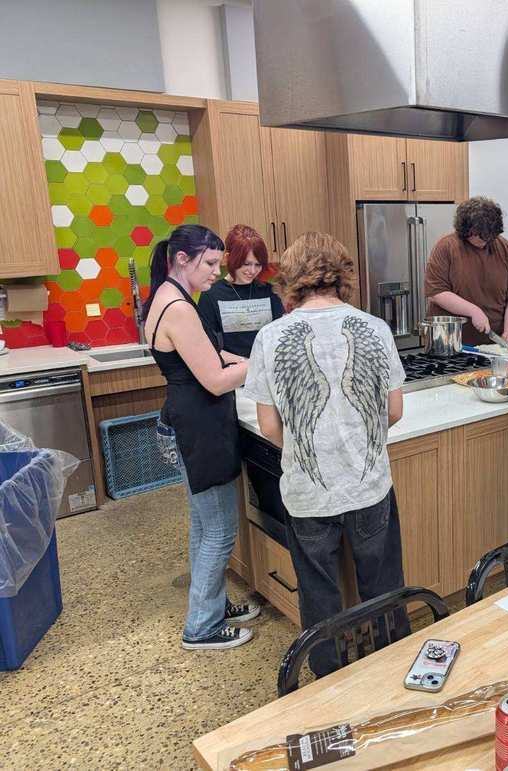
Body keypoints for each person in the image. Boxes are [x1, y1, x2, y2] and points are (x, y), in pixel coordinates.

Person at [245, 231, 410, 677]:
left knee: (319, 595)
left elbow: (268, 426)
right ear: (341, 275)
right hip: (369, 485)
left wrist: (307, 447)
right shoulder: (374, 328)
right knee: (383, 588)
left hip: (307, 495)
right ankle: (392, 670)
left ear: (291, 279)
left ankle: (328, 682)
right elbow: (394, 410)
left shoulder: (271, 337)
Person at [144, 224, 259, 651]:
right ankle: (202, 627)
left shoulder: (166, 297)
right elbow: (213, 380)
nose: (217, 271)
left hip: (187, 422)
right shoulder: (178, 308)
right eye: (210, 263)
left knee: (202, 525)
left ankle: (212, 604)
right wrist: (260, 360)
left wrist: (237, 358)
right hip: (199, 428)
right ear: (182, 259)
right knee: (219, 530)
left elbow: (206, 355)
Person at [424, 196, 508, 346]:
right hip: (450, 343)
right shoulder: (446, 247)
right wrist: (473, 311)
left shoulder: (505, 249)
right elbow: (436, 292)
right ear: (466, 229)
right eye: (480, 235)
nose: (485, 240)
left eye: (490, 236)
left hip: (492, 345)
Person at [197, 224, 285, 358]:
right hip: (233, 374)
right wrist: (246, 364)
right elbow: (208, 347)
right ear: (228, 257)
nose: (252, 271)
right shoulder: (211, 295)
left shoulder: (270, 292)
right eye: (246, 264)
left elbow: (281, 337)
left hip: (267, 372)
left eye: (258, 264)